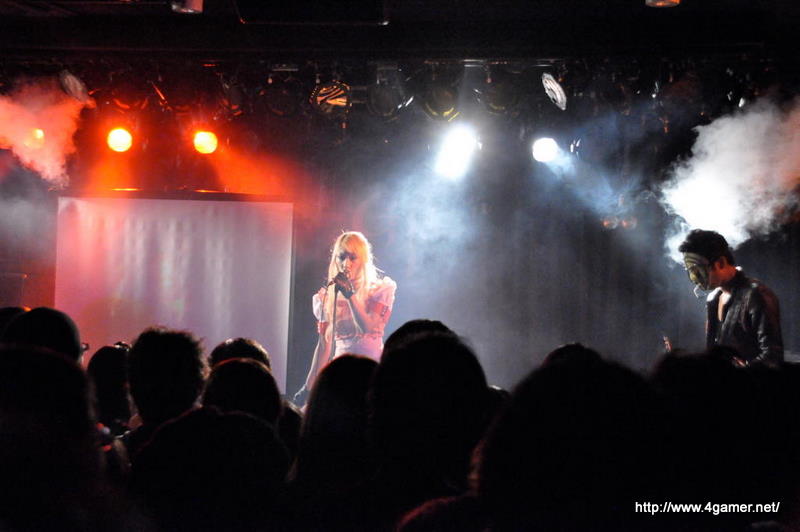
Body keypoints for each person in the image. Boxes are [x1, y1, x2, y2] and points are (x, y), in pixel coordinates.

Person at [301, 231, 396, 392]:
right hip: (341, 371)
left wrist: (350, 296)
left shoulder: (379, 290)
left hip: (370, 371)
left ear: (363, 260)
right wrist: (308, 386)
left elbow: (367, 327)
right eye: (342, 257)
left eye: (353, 257)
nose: (346, 263)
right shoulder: (326, 297)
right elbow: (324, 345)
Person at [678, 229, 783, 366]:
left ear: (721, 263)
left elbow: (772, 357)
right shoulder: (714, 298)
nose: (694, 278)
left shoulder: (756, 294)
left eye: (697, 270)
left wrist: (743, 370)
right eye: (690, 271)